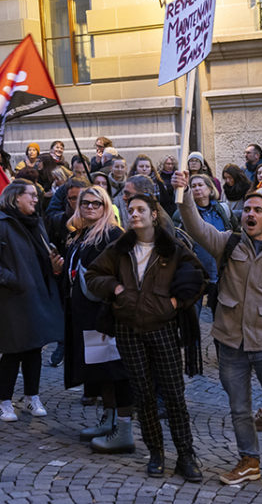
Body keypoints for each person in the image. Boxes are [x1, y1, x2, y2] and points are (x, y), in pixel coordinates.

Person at [172, 170, 262, 491]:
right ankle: (250, 461)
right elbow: (195, 226)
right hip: (231, 341)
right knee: (239, 407)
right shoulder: (227, 244)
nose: (250, 214)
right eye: (246, 209)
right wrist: (185, 192)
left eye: (258, 210)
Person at [86, 193, 205, 481]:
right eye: (130, 210)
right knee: (144, 395)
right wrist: (115, 289)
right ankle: (156, 453)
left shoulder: (172, 248)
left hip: (162, 327)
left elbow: (196, 278)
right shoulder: (119, 248)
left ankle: (186, 456)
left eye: (140, 210)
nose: (134, 214)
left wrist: (175, 304)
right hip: (128, 329)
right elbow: (93, 276)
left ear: (154, 214)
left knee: (174, 395)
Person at [0, 179, 65, 422]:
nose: (36, 199)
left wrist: (54, 266)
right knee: (13, 351)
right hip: (11, 299)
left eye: (37, 196)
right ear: (16, 197)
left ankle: (31, 397)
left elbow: (40, 258)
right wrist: (13, 279)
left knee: (34, 349)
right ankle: (4, 402)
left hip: (36, 295)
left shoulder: (36, 223)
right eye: (31, 195)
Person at [62, 186, 134, 453]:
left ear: (106, 207)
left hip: (105, 316)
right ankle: (110, 419)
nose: (90, 207)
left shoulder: (113, 235)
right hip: (85, 315)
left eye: (96, 203)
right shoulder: (79, 235)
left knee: (115, 371)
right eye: (85, 203)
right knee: (101, 371)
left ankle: (124, 430)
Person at [171, 173, 233, 316]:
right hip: (195, 271)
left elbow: (233, 234)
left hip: (218, 273)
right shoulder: (182, 214)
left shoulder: (223, 210)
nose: (197, 189)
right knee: (193, 315)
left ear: (210, 189)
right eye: (193, 186)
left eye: (200, 185)